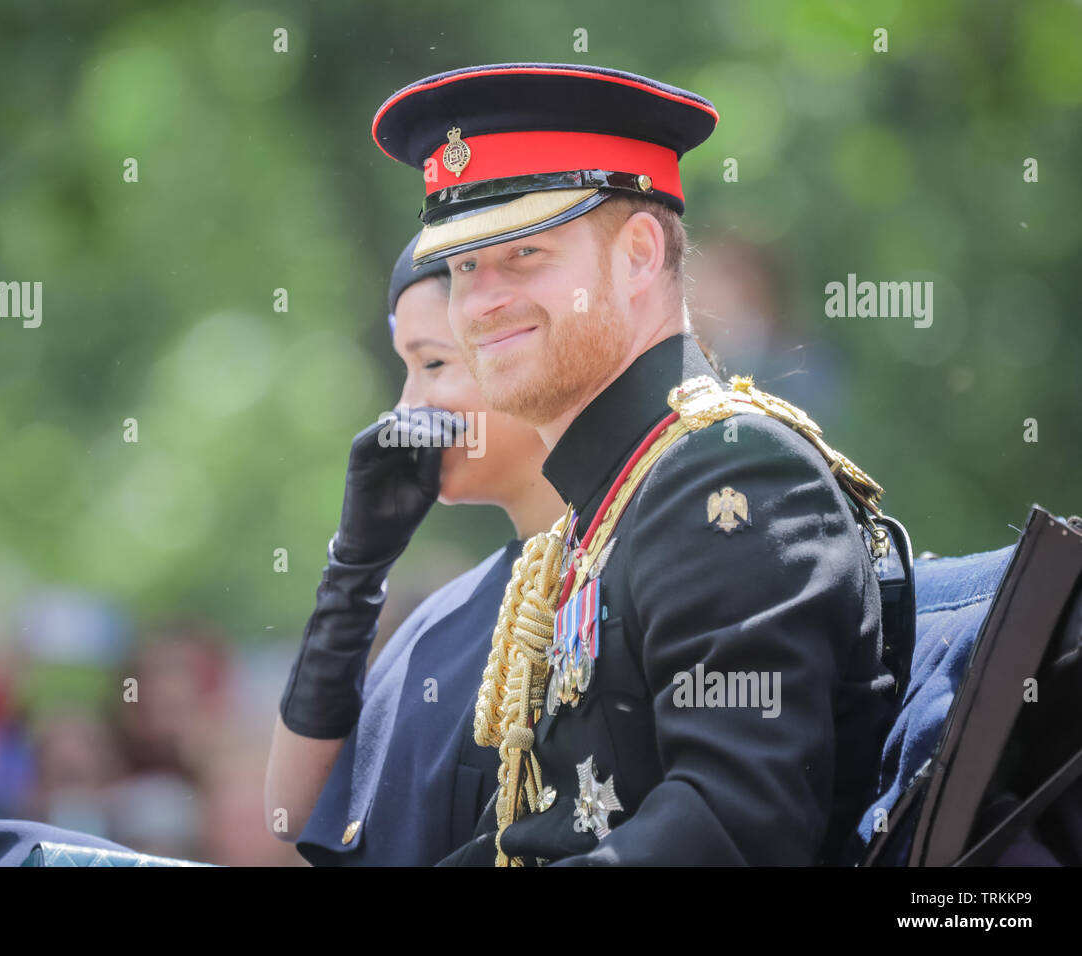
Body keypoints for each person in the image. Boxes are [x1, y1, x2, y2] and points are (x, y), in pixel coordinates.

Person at [370, 62, 900, 866]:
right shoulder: (602, 509)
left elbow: (732, 829)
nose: (478, 303)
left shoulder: (730, 473)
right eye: (465, 266)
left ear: (639, 255)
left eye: (524, 255)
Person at [265, 233, 564, 865]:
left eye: (432, 365)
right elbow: (289, 811)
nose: (406, 408)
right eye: (406, 369)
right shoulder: (441, 615)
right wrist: (354, 570)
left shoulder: (623, 570)